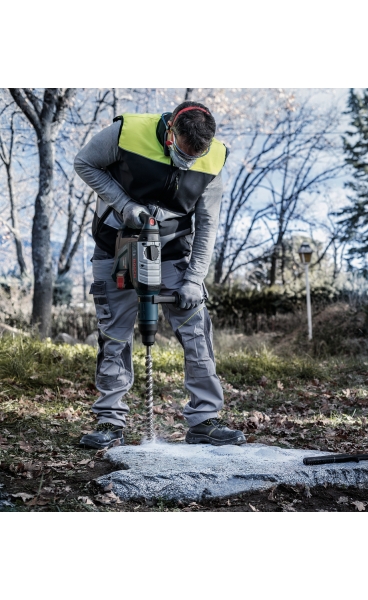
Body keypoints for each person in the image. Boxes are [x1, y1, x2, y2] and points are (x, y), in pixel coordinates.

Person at [74, 101, 245, 449]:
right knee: (114, 334)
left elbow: (208, 224)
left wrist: (194, 279)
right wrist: (124, 205)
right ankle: (110, 421)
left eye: (195, 157)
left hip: (172, 251)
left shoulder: (214, 158)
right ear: (170, 132)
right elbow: (84, 163)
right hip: (120, 245)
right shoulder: (127, 133)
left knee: (196, 330)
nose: (188, 163)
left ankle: (205, 419)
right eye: (183, 153)